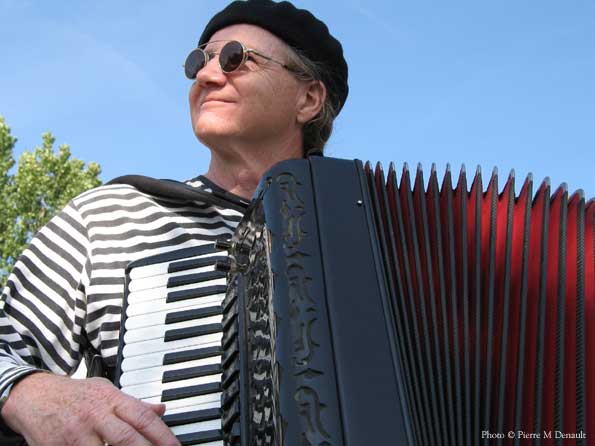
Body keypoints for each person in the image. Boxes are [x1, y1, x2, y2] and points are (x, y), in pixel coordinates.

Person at [0, 1, 348, 445]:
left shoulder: (374, 245)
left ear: (308, 99)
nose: (205, 76)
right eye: (198, 62)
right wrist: (27, 392)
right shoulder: (108, 219)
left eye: (235, 58)